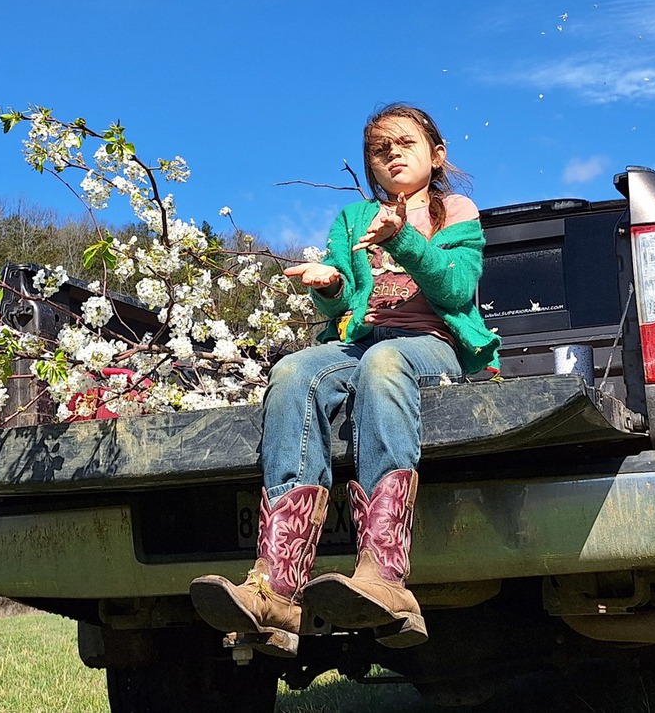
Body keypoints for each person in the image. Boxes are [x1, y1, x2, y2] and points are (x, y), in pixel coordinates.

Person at [189, 103, 500, 657]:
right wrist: (328, 286)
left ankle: (384, 576)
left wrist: (404, 239)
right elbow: (341, 311)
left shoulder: (456, 210)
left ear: (436, 153)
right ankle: (276, 586)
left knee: (387, 364)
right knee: (293, 372)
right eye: (381, 151)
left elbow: (455, 290)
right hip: (361, 342)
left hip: (433, 347)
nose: (393, 155)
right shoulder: (353, 220)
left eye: (405, 143)